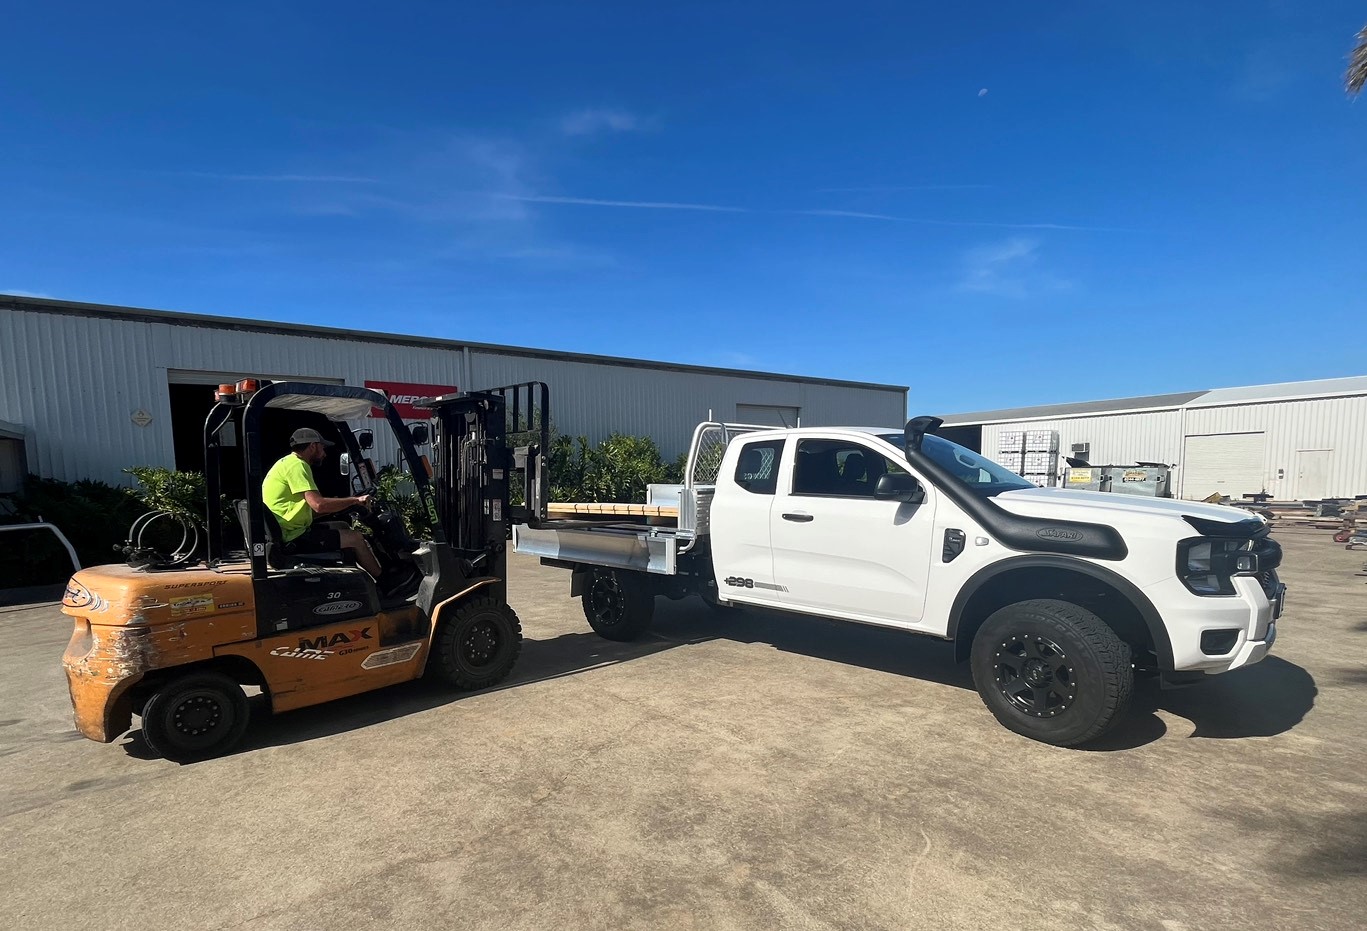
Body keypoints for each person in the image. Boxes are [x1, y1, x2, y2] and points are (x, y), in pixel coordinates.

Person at [262, 427, 383, 580]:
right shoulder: (297, 465)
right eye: (322, 448)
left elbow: (310, 509)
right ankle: (384, 582)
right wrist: (355, 500)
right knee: (356, 537)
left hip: (289, 530)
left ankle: (351, 577)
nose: (325, 454)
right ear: (313, 446)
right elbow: (319, 505)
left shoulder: (286, 463)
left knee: (342, 526)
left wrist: (344, 504)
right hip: (293, 537)